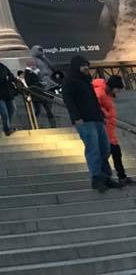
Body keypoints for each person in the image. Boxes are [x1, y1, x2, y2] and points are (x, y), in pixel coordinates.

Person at [63, 56, 115, 192]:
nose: (86, 68)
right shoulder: (70, 81)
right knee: (93, 149)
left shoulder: (87, 80)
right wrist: (76, 117)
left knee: (104, 148)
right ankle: (97, 178)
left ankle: (106, 177)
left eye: (87, 65)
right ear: (76, 66)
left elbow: (93, 100)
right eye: (83, 65)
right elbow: (68, 100)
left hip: (97, 118)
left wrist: (101, 115)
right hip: (84, 120)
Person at [95, 75, 132, 185]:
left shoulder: (107, 93)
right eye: (118, 89)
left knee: (116, 153)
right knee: (110, 154)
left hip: (109, 129)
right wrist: (105, 114)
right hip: (103, 129)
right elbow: (94, 105)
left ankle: (121, 177)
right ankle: (107, 178)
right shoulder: (99, 92)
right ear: (112, 86)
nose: (118, 91)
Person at [23, 60, 57, 127]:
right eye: (34, 65)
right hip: (36, 94)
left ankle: (52, 124)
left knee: (45, 110)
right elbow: (30, 83)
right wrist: (41, 84)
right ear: (31, 65)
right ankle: (33, 124)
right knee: (39, 110)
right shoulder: (28, 73)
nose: (35, 66)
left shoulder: (31, 72)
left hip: (40, 94)